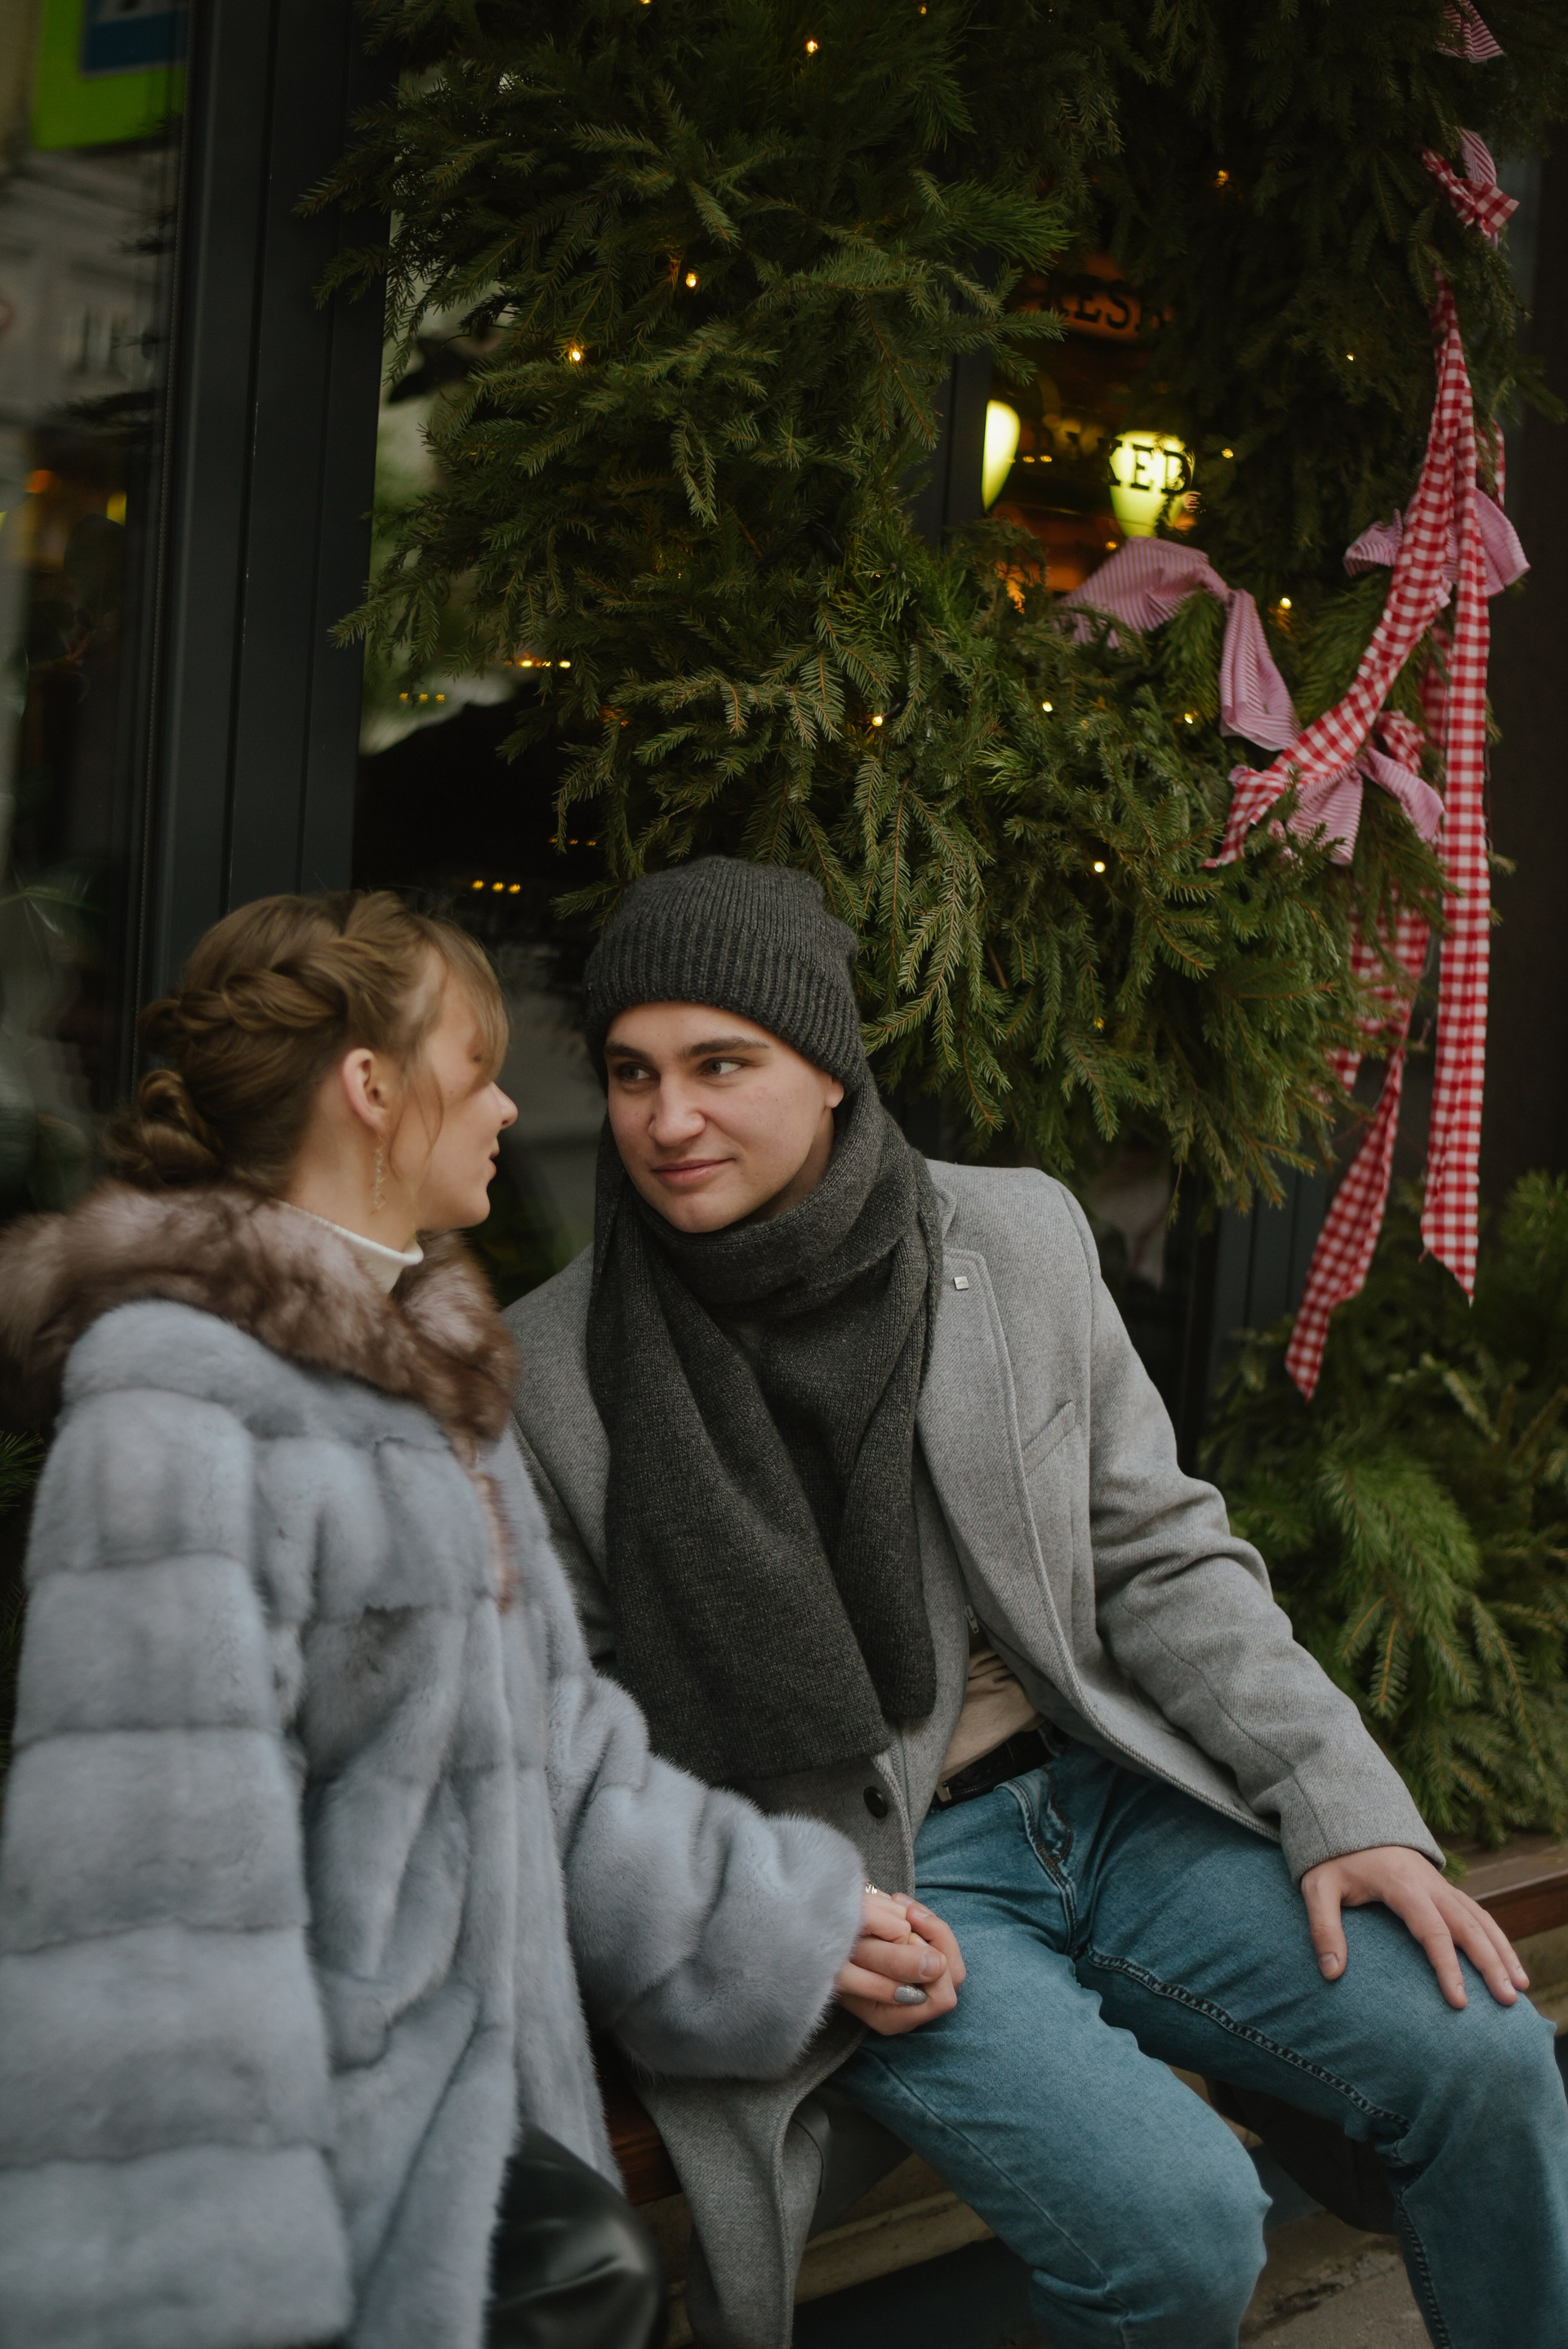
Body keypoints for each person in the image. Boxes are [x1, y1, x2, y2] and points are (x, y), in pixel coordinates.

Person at [506, 856, 1568, 2349]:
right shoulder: (548, 1373)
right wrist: (771, 1917)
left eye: (719, 1064)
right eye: (633, 1072)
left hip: (1110, 1801)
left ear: (828, 1067)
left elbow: (1157, 1551)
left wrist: (1341, 1802)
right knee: (1182, 2231)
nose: (667, 1118)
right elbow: (570, 1733)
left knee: (1491, 2062)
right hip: (878, 1889)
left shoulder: (1008, 1241)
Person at [0, 889, 929, 2349]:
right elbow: (148, 1906)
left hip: (465, 2118)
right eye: (477, 1065)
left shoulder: (415, 1370)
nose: (508, 1106)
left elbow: (540, 1749)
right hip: (324, 2189)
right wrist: (205, 2286)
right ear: (371, 1087)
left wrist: (780, 1922)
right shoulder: (177, 1413)